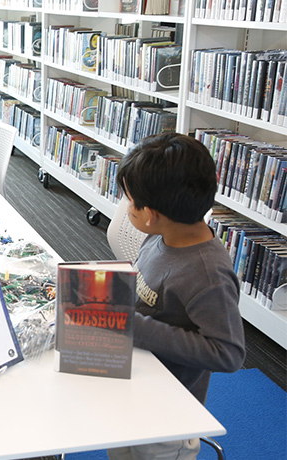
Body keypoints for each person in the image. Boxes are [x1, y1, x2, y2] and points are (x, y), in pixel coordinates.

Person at [108, 133, 246, 459]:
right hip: (137, 379)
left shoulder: (207, 277)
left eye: (130, 201)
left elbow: (228, 354)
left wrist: (135, 327)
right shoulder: (160, 237)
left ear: (151, 214)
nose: (126, 208)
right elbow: (146, 288)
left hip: (168, 412)